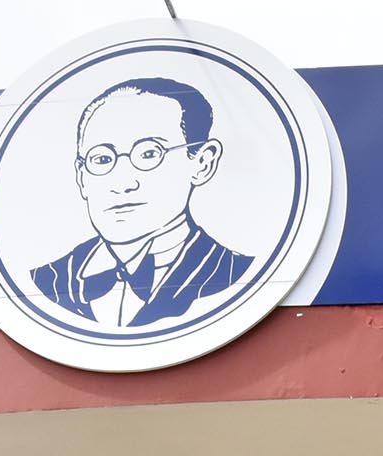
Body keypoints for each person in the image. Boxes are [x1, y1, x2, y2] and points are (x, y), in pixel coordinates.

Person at [31, 77, 254, 327]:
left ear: (202, 163)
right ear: (81, 177)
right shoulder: (47, 281)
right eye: (102, 159)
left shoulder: (235, 273)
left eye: (149, 154)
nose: (122, 183)